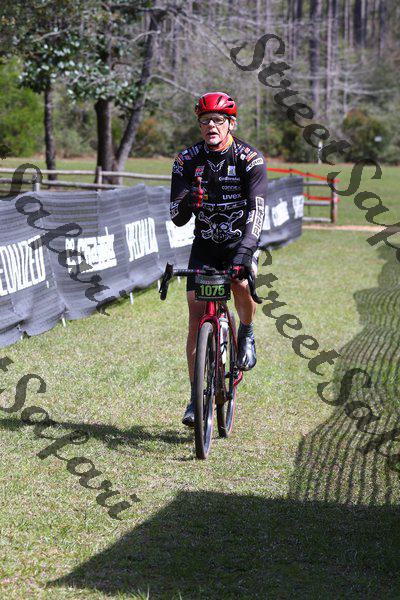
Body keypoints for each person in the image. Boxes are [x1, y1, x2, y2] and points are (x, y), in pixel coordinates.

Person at [169, 92, 267, 426]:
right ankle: (196, 397)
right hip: (205, 245)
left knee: (241, 284)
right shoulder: (186, 160)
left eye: (218, 120)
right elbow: (176, 217)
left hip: (241, 241)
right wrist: (189, 202)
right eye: (205, 121)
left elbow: (257, 211)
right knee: (196, 318)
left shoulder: (249, 159)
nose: (211, 126)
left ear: (230, 124)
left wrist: (245, 251)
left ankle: (247, 332)